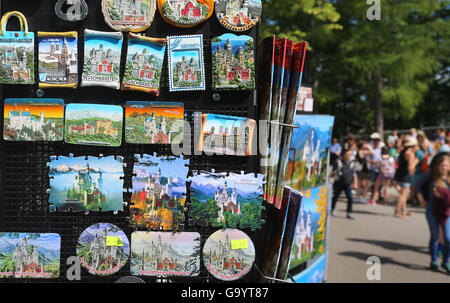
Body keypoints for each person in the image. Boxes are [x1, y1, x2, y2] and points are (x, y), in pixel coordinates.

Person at [416, 154, 450, 273]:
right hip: (432, 210)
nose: (444, 167)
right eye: (442, 165)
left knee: (448, 238)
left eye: (446, 165)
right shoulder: (431, 176)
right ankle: (434, 261)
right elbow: (418, 185)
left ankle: (446, 262)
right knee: (435, 236)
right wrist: (421, 199)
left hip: (447, 212)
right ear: (438, 166)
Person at [393, 136, 419, 218]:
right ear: (413, 146)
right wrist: (416, 162)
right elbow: (410, 168)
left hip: (399, 174)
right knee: (403, 194)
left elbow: (398, 161)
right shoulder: (410, 154)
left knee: (403, 193)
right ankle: (397, 212)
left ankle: (404, 210)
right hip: (405, 176)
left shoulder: (403, 151)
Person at [331, 149, 358, 219]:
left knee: (350, 198)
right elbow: (333, 171)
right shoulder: (338, 161)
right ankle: (332, 209)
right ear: (344, 155)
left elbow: (354, 173)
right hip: (338, 182)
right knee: (335, 197)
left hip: (347, 183)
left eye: (350, 155)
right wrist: (328, 177)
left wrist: (355, 183)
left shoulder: (352, 163)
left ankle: (349, 212)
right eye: (348, 155)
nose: (349, 156)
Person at [366, 132, 383, 205]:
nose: (376, 142)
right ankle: (373, 197)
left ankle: (377, 196)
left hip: (380, 169)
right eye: (375, 141)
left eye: (377, 141)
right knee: (373, 184)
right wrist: (375, 162)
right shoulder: (371, 149)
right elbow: (367, 159)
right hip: (373, 169)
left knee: (379, 184)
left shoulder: (381, 148)